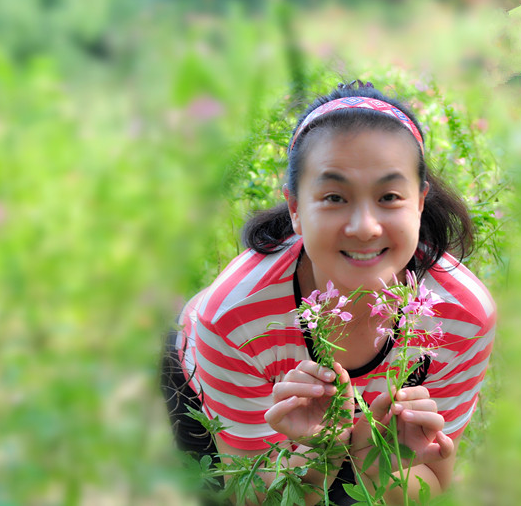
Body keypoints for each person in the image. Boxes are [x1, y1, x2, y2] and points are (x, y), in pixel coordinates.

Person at [161, 80, 497, 505]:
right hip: (214, 398)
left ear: (419, 201)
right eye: (334, 197)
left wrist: (375, 461)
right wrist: (322, 455)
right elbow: (249, 495)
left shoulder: (462, 314)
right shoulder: (234, 317)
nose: (364, 227)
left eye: (389, 196)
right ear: (296, 210)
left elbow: (431, 484)